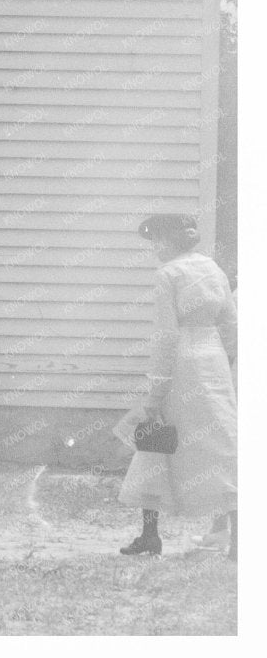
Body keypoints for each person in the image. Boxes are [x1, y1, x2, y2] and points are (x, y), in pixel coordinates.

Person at [118, 212, 238, 560]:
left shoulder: (168, 274)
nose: (155, 248)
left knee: (155, 443)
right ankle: (239, 542)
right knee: (223, 445)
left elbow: (166, 337)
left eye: (158, 240)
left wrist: (156, 392)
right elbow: (231, 327)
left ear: (172, 241)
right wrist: (225, 366)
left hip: (182, 365)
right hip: (213, 363)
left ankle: (151, 534)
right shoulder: (213, 270)